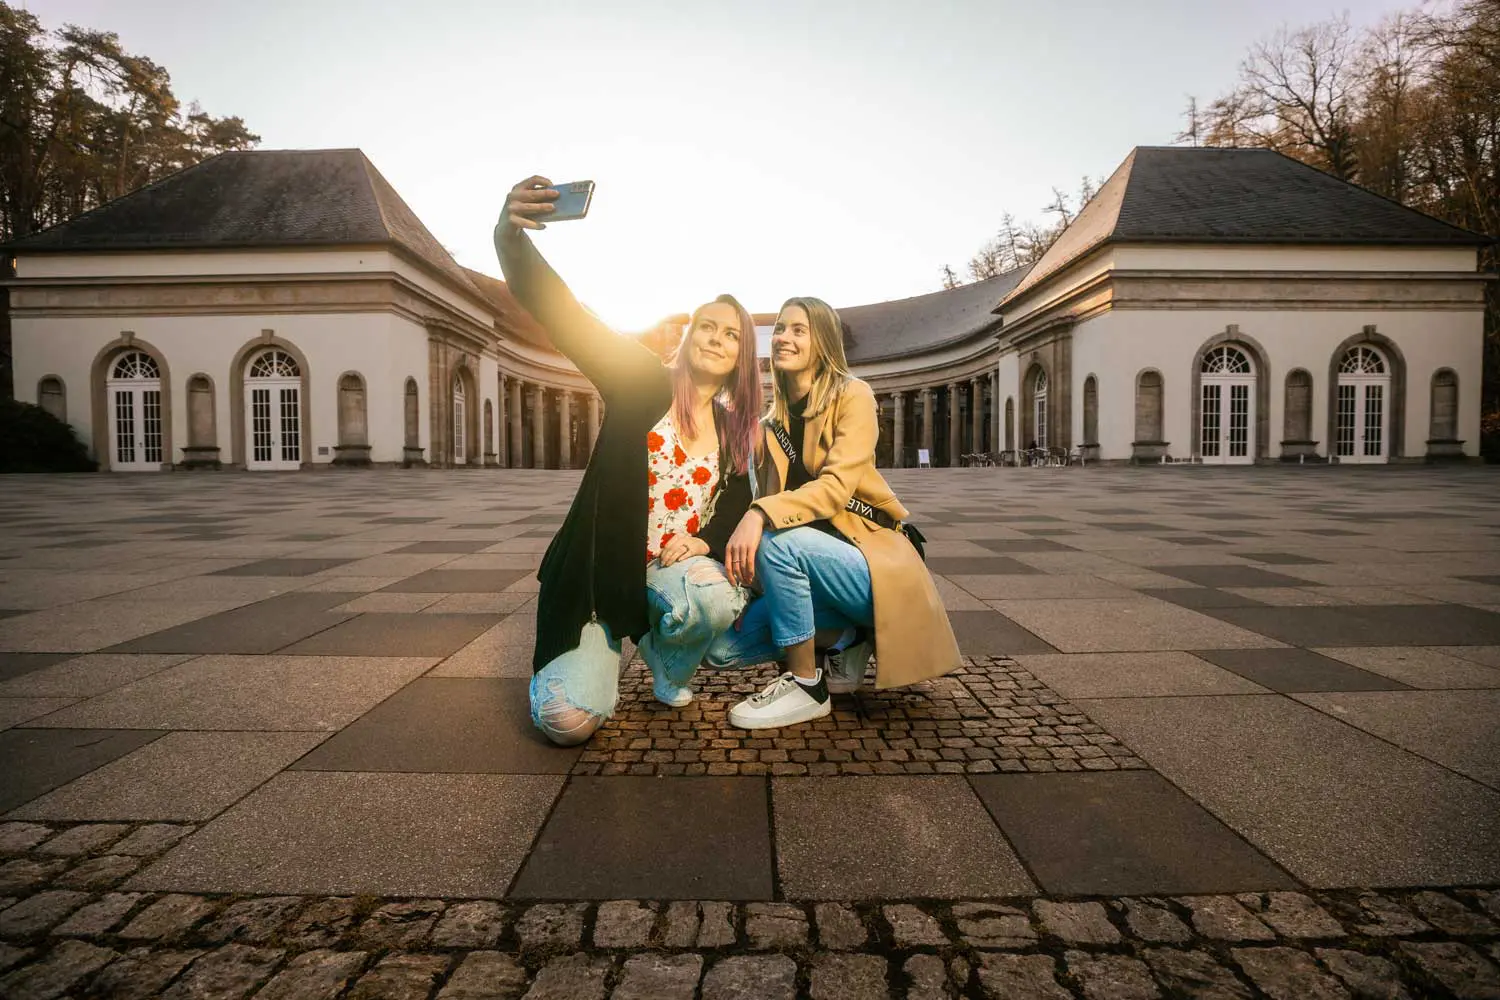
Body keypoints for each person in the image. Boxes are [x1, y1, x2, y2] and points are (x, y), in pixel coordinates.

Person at [496, 176, 761, 745]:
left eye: (731, 334)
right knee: (568, 724)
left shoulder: (734, 426)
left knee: (714, 598)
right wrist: (511, 236)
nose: (716, 338)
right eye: (706, 326)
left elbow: (738, 498)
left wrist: (708, 541)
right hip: (598, 578)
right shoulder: (640, 378)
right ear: (688, 337)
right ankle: (601, 648)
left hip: (669, 572)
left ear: (743, 355)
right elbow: (563, 313)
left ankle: (666, 656)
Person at [706, 297, 963, 729]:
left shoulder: (853, 394)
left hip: (871, 563)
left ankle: (806, 684)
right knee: (722, 649)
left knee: (773, 541)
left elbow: (833, 491)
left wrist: (757, 514)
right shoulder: (774, 425)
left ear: (822, 341)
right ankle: (849, 636)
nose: (784, 337)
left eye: (798, 330)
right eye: (781, 329)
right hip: (814, 566)